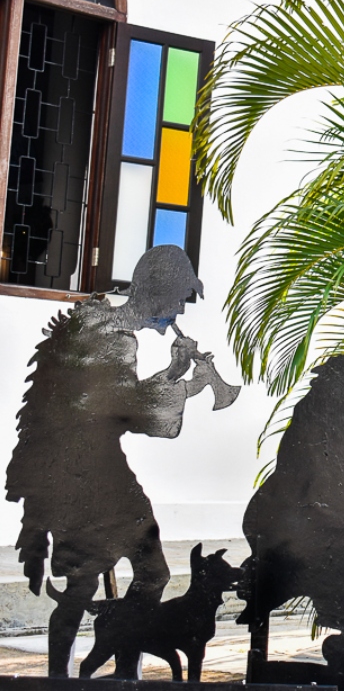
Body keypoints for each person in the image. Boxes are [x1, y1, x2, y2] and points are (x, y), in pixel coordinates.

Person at [5, 245, 208, 676]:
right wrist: (176, 373)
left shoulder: (107, 330)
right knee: (85, 582)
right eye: (176, 302)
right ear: (156, 294)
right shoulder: (108, 337)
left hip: (100, 472)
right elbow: (125, 411)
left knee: (145, 573)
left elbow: (121, 406)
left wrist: (179, 379)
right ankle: (64, 675)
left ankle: (121, 668)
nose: (177, 313)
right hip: (81, 477)